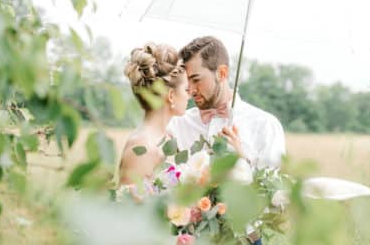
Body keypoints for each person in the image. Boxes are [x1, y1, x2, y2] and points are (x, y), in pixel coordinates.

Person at [167, 36, 286, 169]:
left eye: (196, 79)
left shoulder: (266, 126)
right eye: (186, 81)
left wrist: (240, 161)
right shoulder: (177, 124)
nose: (191, 90)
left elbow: (272, 189)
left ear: (222, 73)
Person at [119, 42, 190, 186]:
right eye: (186, 90)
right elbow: (126, 207)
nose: (190, 96)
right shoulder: (141, 148)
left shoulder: (168, 137)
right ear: (171, 96)